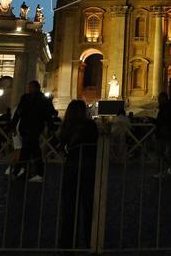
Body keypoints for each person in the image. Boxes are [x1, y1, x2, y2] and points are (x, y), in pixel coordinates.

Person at [58, 99, 99, 248]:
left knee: (69, 208)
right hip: (88, 169)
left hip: (71, 169)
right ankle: (90, 241)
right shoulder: (90, 126)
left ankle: (67, 243)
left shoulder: (66, 127)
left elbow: (61, 146)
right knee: (88, 208)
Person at [11, 80, 54, 182]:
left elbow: (18, 113)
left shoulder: (31, 99)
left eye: (30, 87)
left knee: (28, 151)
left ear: (35, 88)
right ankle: (29, 172)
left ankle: (19, 172)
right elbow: (19, 112)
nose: (29, 89)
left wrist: (13, 125)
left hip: (31, 129)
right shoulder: (37, 99)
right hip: (32, 129)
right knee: (32, 151)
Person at [153, 90, 171, 178]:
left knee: (162, 153)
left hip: (164, 134)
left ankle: (166, 169)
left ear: (164, 99)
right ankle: (170, 167)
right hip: (165, 133)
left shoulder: (166, 108)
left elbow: (164, 121)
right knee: (164, 153)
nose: (158, 100)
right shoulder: (166, 108)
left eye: (160, 98)